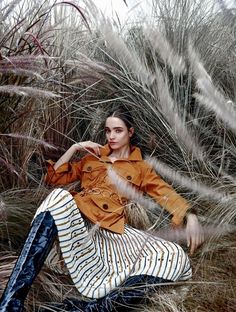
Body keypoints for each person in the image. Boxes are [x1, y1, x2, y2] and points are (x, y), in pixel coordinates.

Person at [0, 106, 204, 312]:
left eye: (118, 130)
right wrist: (75, 147)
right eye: (108, 131)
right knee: (58, 197)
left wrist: (190, 215)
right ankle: (10, 303)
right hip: (78, 223)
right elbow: (54, 178)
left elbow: (165, 193)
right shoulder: (92, 159)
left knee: (175, 256)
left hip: (112, 232)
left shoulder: (141, 168)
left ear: (130, 132)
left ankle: (85, 309)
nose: (111, 136)